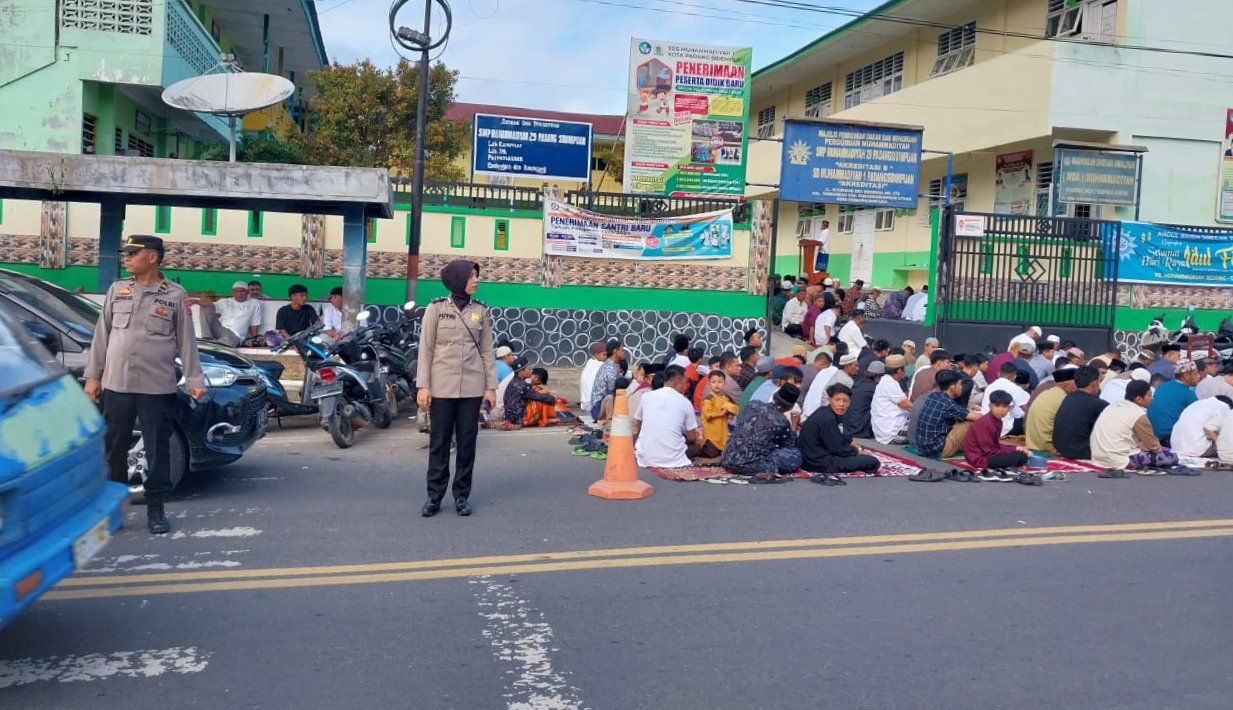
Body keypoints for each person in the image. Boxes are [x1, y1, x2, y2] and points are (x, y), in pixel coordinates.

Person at [84, 235, 206, 535]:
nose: (126, 258)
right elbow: (102, 336)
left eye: (132, 254)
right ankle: (114, 510)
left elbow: (185, 340)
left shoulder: (175, 295)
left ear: (152, 257)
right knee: (114, 447)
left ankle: (156, 508)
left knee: (157, 449)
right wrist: (93, 376)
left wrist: (194, 379)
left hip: (156, 386)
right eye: (126, 254)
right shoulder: (118, 289)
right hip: (117, 383)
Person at [416, 259, 497, 518]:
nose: (476, 280)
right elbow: (426, 350)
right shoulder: (436, 308)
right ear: (457, 278)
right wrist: (423, 386)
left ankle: (461, 495)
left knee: (467, 443)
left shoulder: (481, 311)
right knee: (439, 443)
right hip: (441, 388)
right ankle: (434, 496)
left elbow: (487, 352)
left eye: (476, 276)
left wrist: (491, 388)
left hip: (471, 389)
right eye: (471, 276)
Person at [1090, 380, 1177, 471]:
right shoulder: (1138, 414)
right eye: (1149, 395)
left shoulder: (1112, 406)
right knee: (1171, 456)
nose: (1152, 398)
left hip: (1098, 456)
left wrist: (1140, 445)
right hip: (1119, 459)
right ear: (1139, 399)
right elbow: (1154, 447)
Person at [799, 382, 880, 475]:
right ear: (829, 400)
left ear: (849, 402)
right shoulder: (827, 417)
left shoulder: (827, 412)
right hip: (819, 462)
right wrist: (856, 450)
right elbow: (838, 449)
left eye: (845, 401)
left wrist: (850, 442)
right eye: (837, 400)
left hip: (814, 458)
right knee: (873, 462)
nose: (841, 404)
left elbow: (839, 434)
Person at [721, 385, 803, 476]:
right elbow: (789, 447)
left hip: (726, 458)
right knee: (795, 456)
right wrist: (794, 426)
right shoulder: (782, 422)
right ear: (790, 407)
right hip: (747, 465)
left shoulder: (752, 404)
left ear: (775, 395)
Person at [633, 366, 704, 468]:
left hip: (645, 457)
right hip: (673, 459)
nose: (686, 386)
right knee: (698, 446)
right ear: (677, 382)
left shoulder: (647, 396)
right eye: (685, 382)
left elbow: (638, 423)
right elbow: (692, 437)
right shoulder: (685, 402)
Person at [914, 370, 981, 458]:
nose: (961, 387)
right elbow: (977, 417)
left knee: (962, 417)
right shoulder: (948, 404)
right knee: (967, 422)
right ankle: (978, 450)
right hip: (938, 450)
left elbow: (957, 411)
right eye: (960, 384)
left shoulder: (933, 396)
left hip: (922, 448)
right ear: (953, 387)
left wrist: (970, 408)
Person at [965, 390, 1032, 471]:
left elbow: (995, 445)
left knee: (1020, 453)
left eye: (1004, 406)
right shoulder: (985, 422)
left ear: (1009, 408)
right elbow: (990, 451)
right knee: (1021, 457)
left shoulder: (997, 420)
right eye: (997, 406)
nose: (1000, 410)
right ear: (990, 406)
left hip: (986, 455)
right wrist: (1013, 452)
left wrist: (1016, 448)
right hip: (979, 459)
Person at [1052, 366, 1108, 460]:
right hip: (1081, 452)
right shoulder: (1098, 404)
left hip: (1061, 448)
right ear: (1094, 384)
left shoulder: (1068, 397)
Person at [195, 279, 263, 347]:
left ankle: (213, 345)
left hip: (235, 334)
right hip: (219, 328)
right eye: (237, 291)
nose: (240, 294)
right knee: (206, 307)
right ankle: (207, 337)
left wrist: (255, 340)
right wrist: (195, 301)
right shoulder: (225, 301)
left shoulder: (254, 303)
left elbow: (254, 323)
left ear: (247, 292)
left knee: (226, 343)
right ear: (233, 292)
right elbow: (211, 305)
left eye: (242, 291)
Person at [1147, 358, 1200, 444]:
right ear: (1186, 376)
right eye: (1195, 373)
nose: (1198, 376)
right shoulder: (1188, 393)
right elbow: (1198, 418)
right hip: (1169, 437)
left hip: (1151, 434)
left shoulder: (1163, 386)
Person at [1025, 367, 1076, 453]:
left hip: (1032, 444)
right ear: (1066, 385)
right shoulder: (1063, 399)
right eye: (1077, 384)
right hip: (1048, 447)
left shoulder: (1047, 393)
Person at [499, 357, 558, 429]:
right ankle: (545, 419)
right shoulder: (523, 386)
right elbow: (540, 397)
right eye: (529, 369)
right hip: (518, 419)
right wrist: (553, 399)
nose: (532, 371)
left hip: (509, 417)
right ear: (521, 372)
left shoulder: (513, 382)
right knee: (541, 401)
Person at [981, 362, 1029, 437]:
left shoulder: (989, 387)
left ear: (999, 374)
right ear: (1014, 377)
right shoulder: (1014, 388)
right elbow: (1026, 409)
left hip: (985, 423)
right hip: (1004, 428)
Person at [700, 370, 740, 452]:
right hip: (711, 434)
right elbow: (708, 415)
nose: (717, 385)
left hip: (721, 432)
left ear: (725, 384)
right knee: (711, 452)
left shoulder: (724, 398)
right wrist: (721, 414)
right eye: (713, 382)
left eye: (720, 382)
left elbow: (729, 407)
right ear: (709, 383)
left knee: (725, 449)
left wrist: (729, 414)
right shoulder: (708, 399)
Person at [843, 361, 882, 439]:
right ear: (878, 376)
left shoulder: (859, 383)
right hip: (858, 429)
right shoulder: (874, 388)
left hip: (847, 427)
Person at [589, 339, 624, 421]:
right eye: (622, 350)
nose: (623, 353)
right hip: (597, 409)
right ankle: (609, 421)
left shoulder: (613, 365)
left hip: (601, 404)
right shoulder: (609, 368)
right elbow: (612, 389)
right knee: (611, 397)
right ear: (615, 351)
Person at [801, 351, 838, 417]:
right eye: (827, 367)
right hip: (800, 402)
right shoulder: (817, 375)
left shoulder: (801, 366)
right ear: (822, 362)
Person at [579, 341, 607, 418]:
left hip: (585, 403)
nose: (606, 357)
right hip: (592, 404)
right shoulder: (600, 365)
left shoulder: (590, 363)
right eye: (604, 354)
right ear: (596, 354)